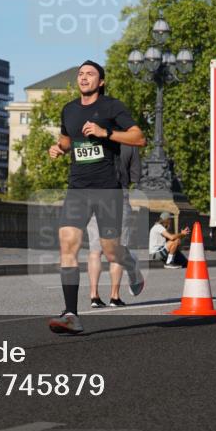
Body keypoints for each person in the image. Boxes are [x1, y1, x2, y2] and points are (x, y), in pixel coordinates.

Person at [47, 61, 147, 334]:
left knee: (111, 251)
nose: (84, 77)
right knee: (68, 246)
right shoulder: (69, 109)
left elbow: (139, 138)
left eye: (90, 74)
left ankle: (131, 264)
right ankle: (71, 314)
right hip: (78, 188)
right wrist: (58, 149)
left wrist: (106, 133)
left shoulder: (112, 107)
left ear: (100, 81)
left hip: (107, 189)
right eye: (80, 74)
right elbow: (66, 140)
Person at [86, 143, 141, 307]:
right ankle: (114, 297)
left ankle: (94, 296)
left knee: (95, 251)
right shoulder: (130, 144)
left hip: (94, 196)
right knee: (117, 250)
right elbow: (135, 176)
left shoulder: (94, 140)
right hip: (118, 194)